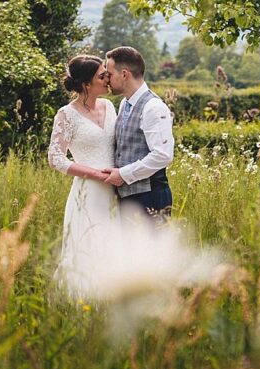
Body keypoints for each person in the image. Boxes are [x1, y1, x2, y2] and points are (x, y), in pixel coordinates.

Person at [47, 54, 120, 297]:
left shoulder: (109, 107)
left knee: (113, 248)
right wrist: (96, 175)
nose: (108, 78)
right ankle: (80, 306)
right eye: (102, 75)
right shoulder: (66, 114)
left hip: (116, 189)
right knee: (87, 250)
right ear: (87, 84)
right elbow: (55, 158)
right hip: (87, 194)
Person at [103, 46, 175, 220]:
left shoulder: (153, 107)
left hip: (150, 197)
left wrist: (123, 175)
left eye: (110, 74)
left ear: (125, 74)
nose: (107, 80)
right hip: (128, 198)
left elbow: (163, 155)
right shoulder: (124, 104)